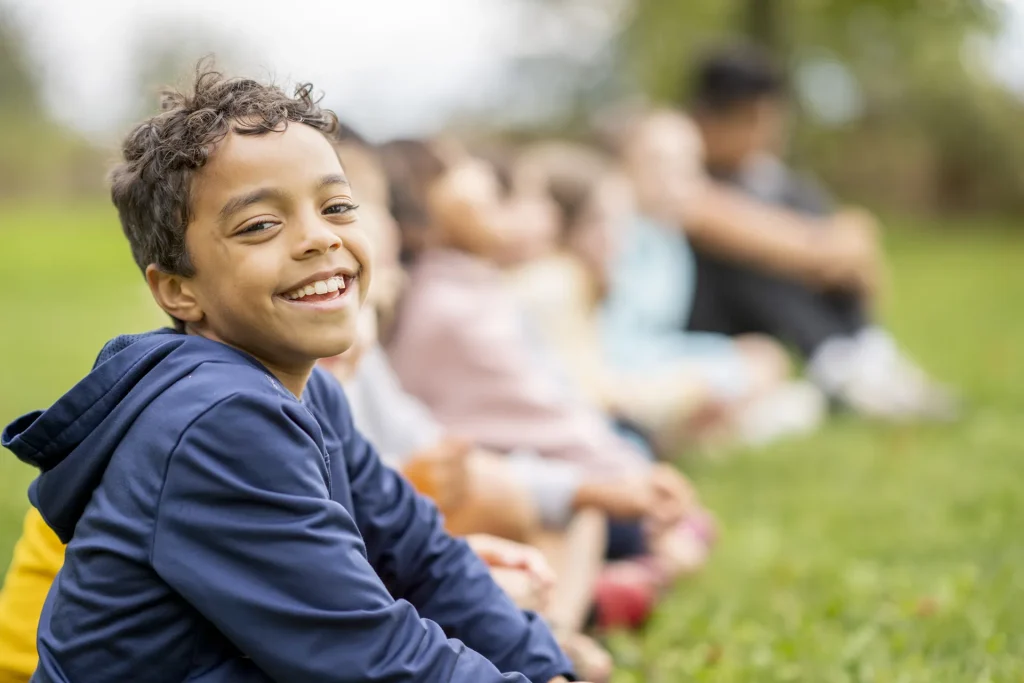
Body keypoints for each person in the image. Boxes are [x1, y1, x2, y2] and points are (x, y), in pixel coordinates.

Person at [0, 67, 580, 683]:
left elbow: (422, 556)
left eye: (337, 206)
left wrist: (546, 669)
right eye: (260, 225)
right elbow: (371, 658)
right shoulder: (216, 421)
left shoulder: (312, 394)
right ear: (177, 289)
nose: (319, 239)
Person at [378, 138, 717, 627]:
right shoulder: (451, 309)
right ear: (421, 210)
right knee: (594, 511)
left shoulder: (471, 288)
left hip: (525, 472)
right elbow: (543, 420)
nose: (480, 174)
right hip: (499, 482)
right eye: (457, 169)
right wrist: (628, 480)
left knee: (622, 504)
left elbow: (559, 406)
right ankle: (571, 620)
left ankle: (592, 598)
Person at [684, 44, 957, 420]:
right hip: (705, 318)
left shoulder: (771, 178)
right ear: (708, 118)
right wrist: (823, 249)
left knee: (798, 240)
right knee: (759, 260)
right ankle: (843, 367)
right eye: (751, 120)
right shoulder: (677, 163)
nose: (765, 134)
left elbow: (857, 247)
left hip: (768, 314)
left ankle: (865, 355)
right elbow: (718, 223)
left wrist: (848, 241)